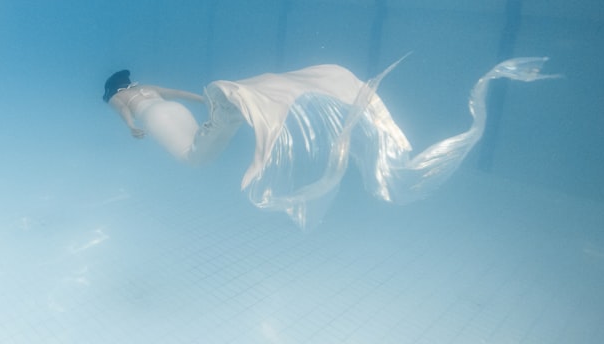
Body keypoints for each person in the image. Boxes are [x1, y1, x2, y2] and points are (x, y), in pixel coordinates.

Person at [104, 57, 558, 226]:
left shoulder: (122, 98)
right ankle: (223, 109)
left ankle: (225, 112)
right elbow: (181, 94)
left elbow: (126, 111)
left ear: (113, 89)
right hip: (177, 108)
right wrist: (202, 102)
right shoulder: (147, 85)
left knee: (192, 159)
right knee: (202, 140)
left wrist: (130, 128)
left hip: (154, 118)